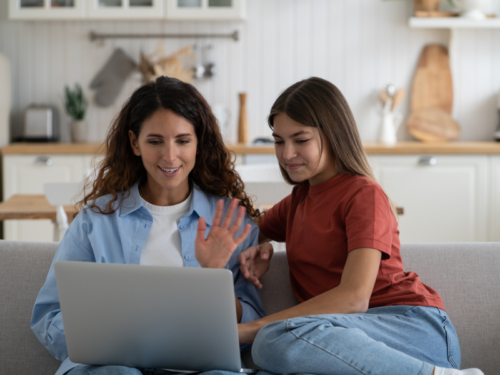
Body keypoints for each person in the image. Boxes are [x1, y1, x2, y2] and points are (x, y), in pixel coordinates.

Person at [237, 77, 484, 375]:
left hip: (410, 330)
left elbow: (354, 298)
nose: (287, 153)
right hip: (347, 336)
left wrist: (254, 327)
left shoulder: (364, 194)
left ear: (333, 134)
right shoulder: (297, 201)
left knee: (272, 340)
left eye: (300, 140)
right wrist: (260, 242)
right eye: (279, 141)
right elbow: (253, 226)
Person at [31, 76, 265, 375]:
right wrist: (103, 340)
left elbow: (254, 326)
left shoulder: (231, 223)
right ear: (134, 143)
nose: (170, 156)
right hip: (112, 368)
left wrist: (215, 276)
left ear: (198, 143)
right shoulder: (96, 221)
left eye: (183, 141)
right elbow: (49, 314)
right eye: (155, 141)